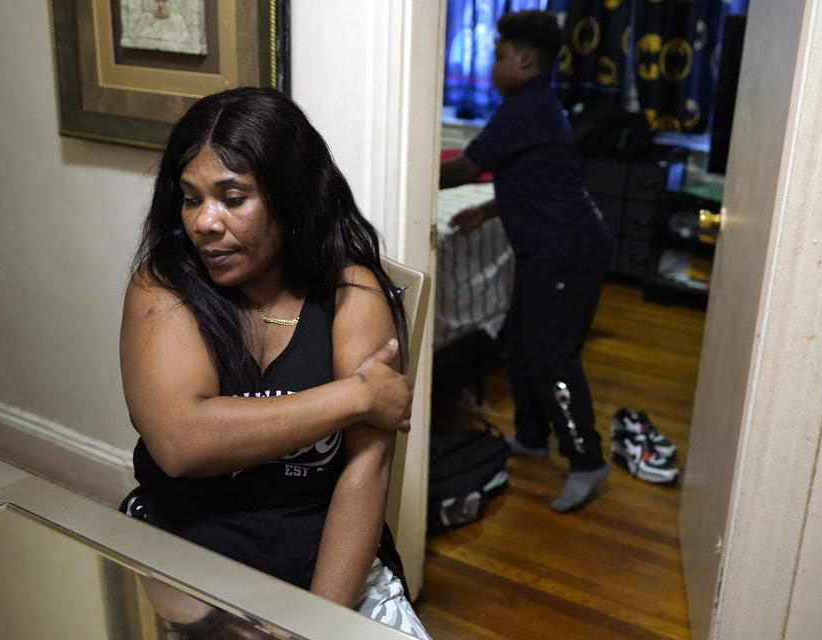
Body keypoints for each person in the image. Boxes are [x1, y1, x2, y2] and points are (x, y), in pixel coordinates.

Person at [118, 87, 430, 639]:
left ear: (289, 198)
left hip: (321, 563)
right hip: (185, 552)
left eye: (232, 198)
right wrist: (355, 396)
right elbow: (181, 443)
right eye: (191, 199)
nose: (204, 223)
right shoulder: (163, 287)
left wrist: (308, 625)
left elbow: (364, 475)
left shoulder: (352, 292)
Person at [439, 10, 613, 513]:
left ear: (526, 59)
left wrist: (403, 172)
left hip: (567, 255)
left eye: (496, 57)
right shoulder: (536, 106)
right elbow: (537, 177)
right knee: (517, 342)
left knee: (553, 357)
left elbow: (467, 167)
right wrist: (489, 208)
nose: (491, 67)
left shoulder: (526, 108)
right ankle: (532, 436)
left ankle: (587, 460)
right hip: (551, 253)